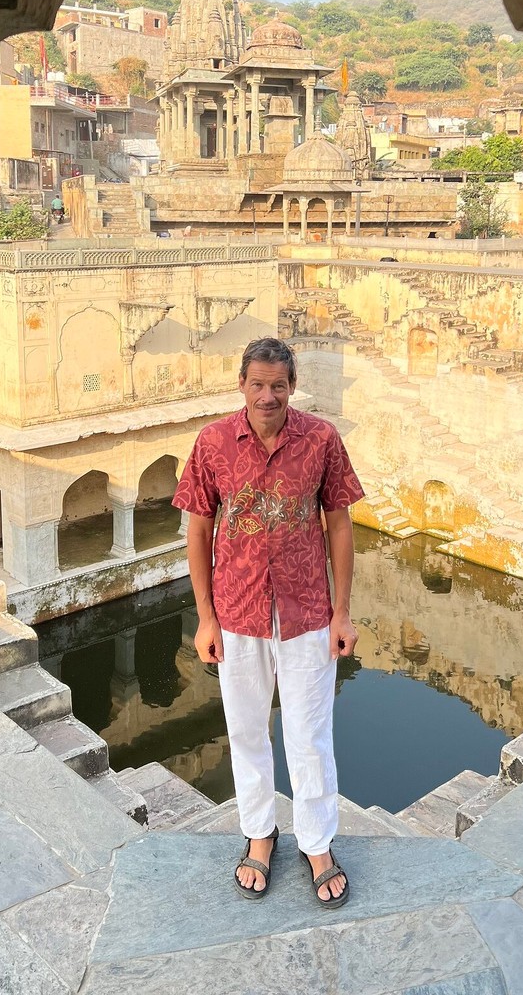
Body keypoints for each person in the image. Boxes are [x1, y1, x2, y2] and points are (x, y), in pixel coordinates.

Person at [172, 337, 364, 906]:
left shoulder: (321, 440)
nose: (268, 395)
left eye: (278, 384)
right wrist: (205, 619)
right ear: (242, 385)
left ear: (292, 385)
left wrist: (343, 612)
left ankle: (317, 843)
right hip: (237, 611)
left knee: (310, 733)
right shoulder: (212, 444)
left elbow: (340, 525)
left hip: (307, 610)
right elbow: (199, 532)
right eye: (258, 383)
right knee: (248, 731)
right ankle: (259, 833)